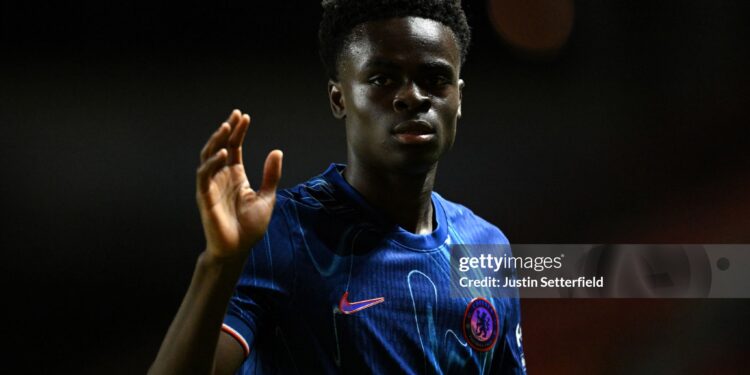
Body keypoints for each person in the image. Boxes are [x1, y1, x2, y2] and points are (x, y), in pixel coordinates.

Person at [150, 0, 526, 373]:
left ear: (458, 98)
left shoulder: (487, 248)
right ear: (339, 98)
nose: (412, 96)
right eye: (383, 79)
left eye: (435, 80)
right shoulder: (281, 235)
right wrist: (217, 264)